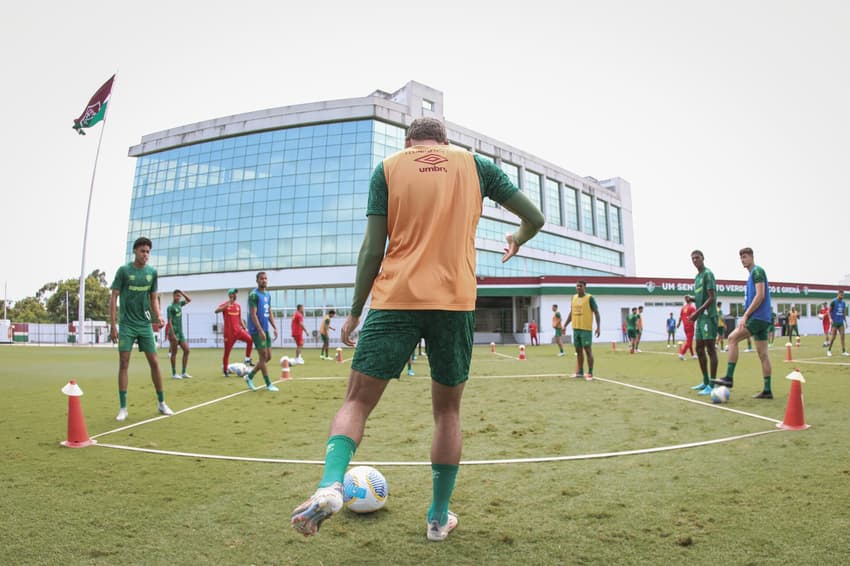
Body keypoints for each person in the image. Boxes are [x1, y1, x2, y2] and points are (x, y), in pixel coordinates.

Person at [290, 117, 544, 541]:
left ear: (408, 142)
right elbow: (534, 217)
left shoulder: (388, 167)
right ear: (445, 142)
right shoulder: (475, 166)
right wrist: (517, 238)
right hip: (454, 302)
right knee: (447, 413)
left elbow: (374, 247)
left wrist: (355, 311)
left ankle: (330, 484)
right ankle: (437, 518)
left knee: (356, 402)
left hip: (395, 299)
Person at [109, 237, 174, 421]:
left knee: (154, 361)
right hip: (127, 324)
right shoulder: (123, 271)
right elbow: (114, 298)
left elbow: (153, 298)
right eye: (142, 251)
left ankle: (162, 403)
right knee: (124, 363)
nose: (145, 255)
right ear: (135, 252)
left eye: (148, 252)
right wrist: (113, 325)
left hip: (144, 324)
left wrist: (159, 316)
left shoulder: (152, 273)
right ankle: (123, 408)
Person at [711, 247, 774, 399]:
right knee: (763, 354)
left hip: (757, 317)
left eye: (745, 256)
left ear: (752, 257)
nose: (743, 260)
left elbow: (760, 295)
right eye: (741, 257)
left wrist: (745, 315)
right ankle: (767, 390)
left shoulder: (757, 272)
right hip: (763, 318)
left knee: (732, 338)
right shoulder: (752, 275)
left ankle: (729, 378)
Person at [687, 250, 717, 396]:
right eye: (692, 258)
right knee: (699, 349)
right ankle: (705, 381)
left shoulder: (707, 274)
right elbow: (702, 296)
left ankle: (712, 384)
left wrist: (697, 312)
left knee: (710, 349)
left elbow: (711, 297)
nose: (695, 260)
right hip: (700, 318)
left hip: (708, 317)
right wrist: (692, 299)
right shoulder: (697, 277)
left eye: (697, 258)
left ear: (703, 258)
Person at [244, 271, 279, 392]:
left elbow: (269, 311)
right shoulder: (254, 295)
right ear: (257, 280)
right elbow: (253, 314)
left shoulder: (268, 295)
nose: (264, 280)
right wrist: (259, 330)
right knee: (263, 356)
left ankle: (249, 376)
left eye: (265, 278)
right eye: (261, 278)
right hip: (256, 329)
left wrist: (274, 327)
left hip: (265, 329)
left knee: (268, 357)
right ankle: (268, 384)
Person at [564, 280, 600, 380]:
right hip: (576, 328)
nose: (578, 288)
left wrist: (598, 327)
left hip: (586, 329)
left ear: (585, 287)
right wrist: (565, 325)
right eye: (577, 286)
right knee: (578, 350)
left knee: (587, 350)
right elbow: (571, 313)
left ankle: (590, 373)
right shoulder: (573, 297)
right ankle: (580, 372)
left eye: (580, 286)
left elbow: (596, 312)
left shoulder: (590, 298)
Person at [214, 288, 254, 376]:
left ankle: (247, 359)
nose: (235, 295)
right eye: (233, 293)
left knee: (250, 340)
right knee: (227, 352)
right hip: (229, 333)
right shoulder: (225, 305)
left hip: (239, 331)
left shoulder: (238, 306)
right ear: (230, 295)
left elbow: (240, 319)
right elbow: (216, 311)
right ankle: (225, 370)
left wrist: (245, 328)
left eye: (236, 293)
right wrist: (227, 305)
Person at [166, 289, 192, 379]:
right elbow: (169, 322)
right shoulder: (170, 307)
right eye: (177, 296)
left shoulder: (180, 304)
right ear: (173, 296)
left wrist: (183, 293)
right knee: (174, 353)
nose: (178, 297)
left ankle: (184, 372)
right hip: (174, 333)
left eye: (179, 296)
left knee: (187, 350)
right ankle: (174, 373)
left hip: (180, 333)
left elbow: (189, 300)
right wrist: (172, 334)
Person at [826, 289, 848, 357]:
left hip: (841, 322)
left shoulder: (843, 303)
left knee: (842, 336)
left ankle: (844, 351)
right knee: (833, 337)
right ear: (838, 294)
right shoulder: (833, 301)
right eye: (841, 294)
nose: (842, 296)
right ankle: (829, 350)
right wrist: (830, 318)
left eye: (843, 295)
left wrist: (846, 322)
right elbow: (828, 311)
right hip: (834, 322)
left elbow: (844, 313)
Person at [677, 296, 696, 360]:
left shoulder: (683, 308)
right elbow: (695, 316)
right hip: (690, 326)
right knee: (689, 341)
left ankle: (693, 355)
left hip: (685, 326)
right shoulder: (692, 308)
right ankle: (682, 353)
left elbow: (680, 317)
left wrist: (679, 323)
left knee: (689, 341)